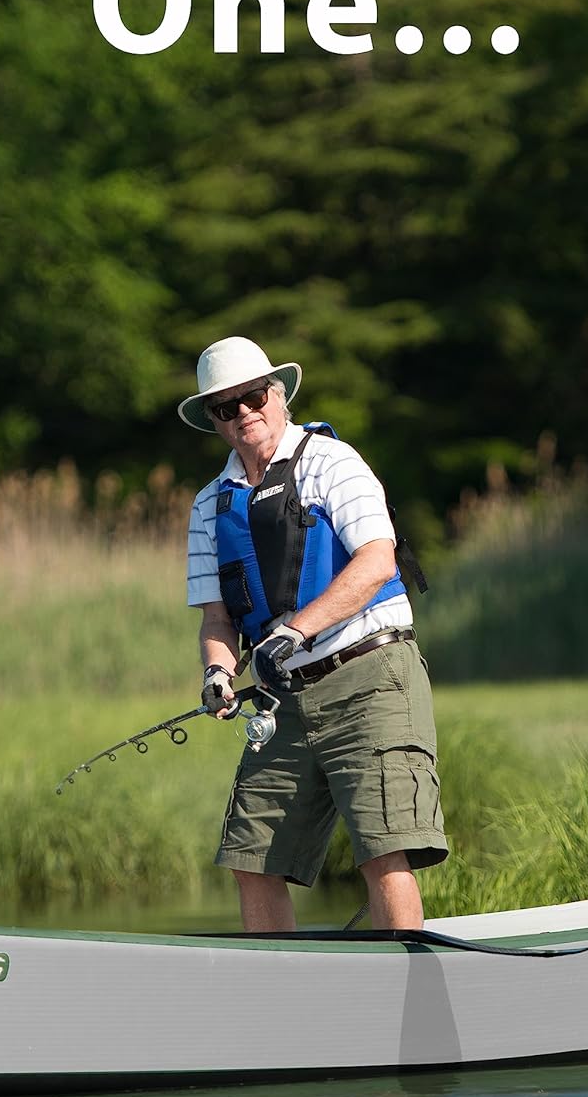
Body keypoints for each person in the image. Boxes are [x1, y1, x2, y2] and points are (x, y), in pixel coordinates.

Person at [179, 335, 447, 932]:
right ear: (214, 422)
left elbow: (378, 560)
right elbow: (217, 619)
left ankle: (403, 978)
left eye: (253, 396)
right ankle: (280, 1003)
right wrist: (219, 673)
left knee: (383, 846)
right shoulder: (208, 507)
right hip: (283, 702)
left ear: (279, 395)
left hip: (370, 677)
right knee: (253, 859)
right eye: (227, 406)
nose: (244, 412)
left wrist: (293, 632)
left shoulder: (333, 462)